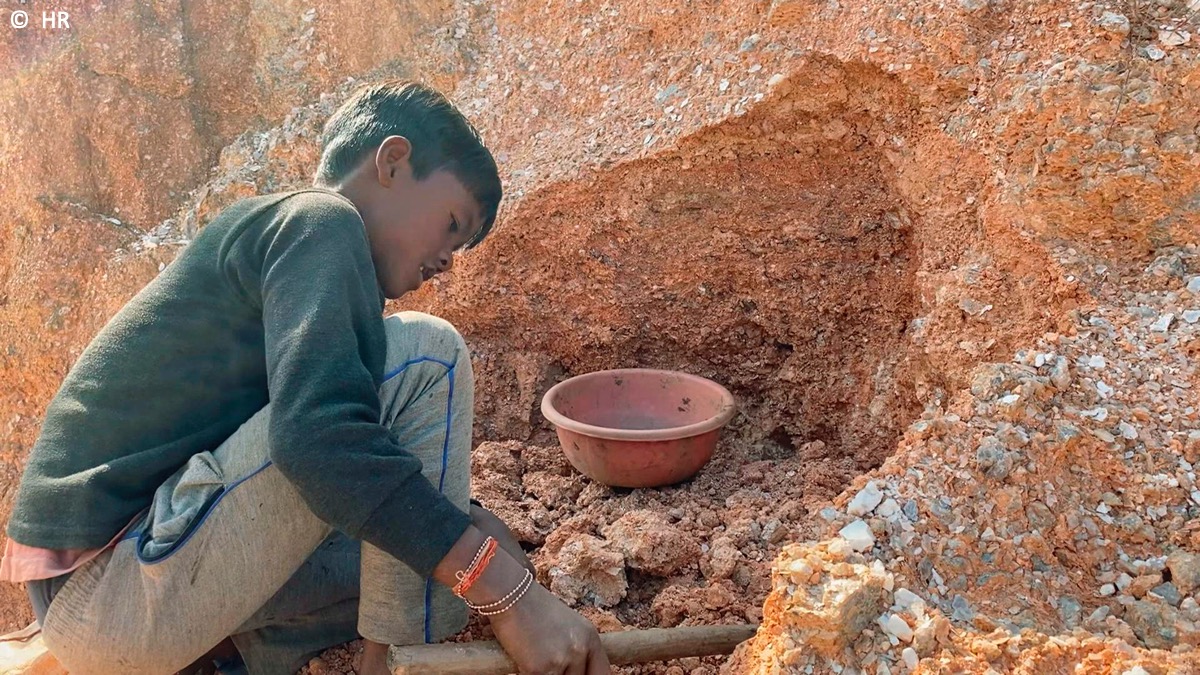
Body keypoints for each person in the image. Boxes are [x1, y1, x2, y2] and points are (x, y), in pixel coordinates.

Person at [1, 80, 610, 675]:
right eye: (453, 223)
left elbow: (327, 461)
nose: (450, 260)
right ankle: (401, 661)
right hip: (109, 594)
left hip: (128, 599)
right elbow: (318, 444)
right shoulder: (319, 221)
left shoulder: (304, 254)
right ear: (393, 162)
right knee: (427, 353)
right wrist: (509, 591)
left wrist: (462, 524)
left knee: (417, 556)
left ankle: (263, 651)